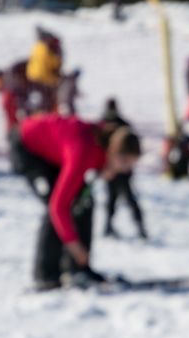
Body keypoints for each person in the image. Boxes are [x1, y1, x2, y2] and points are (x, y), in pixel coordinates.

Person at [12, 112, 141, 289]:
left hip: (56, 150)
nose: (126, 170)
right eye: (124, 163)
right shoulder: (82, 153)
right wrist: (73, 244)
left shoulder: (103, 148)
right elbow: (58, 206)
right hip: (27, 146)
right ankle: (45, 275)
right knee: (56, 206)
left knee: (84, 202)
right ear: (113, 152)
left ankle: (78, 270)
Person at [96, 99, 149, 241]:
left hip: (122, 171)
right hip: (111, 168)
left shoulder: (120, 123)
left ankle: (140, 228)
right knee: (112, 200)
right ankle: (108, 227)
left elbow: (133, 146)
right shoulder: (104, 124)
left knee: (128, 199)